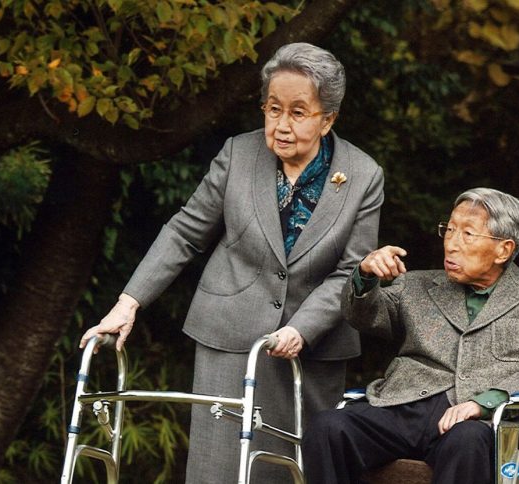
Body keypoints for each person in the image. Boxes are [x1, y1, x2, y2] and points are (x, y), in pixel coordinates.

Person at [80, 43, 384, 483]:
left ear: (328, 118)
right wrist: (128, 303)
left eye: (298, 113)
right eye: (273, 109)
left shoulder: (363, 174)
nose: (281, 125)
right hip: (228, 336)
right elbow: (185, 231)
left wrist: (302, 329)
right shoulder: (238, 155)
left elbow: (350, 270)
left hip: (312, 348)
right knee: (218, 470)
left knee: (293, 470)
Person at [303, 188, 519, 484]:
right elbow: (364, 316)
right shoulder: (417, 285)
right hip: (403, 407)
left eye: (468, 234)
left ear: (503, 250)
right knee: (328, 427)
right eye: (450, 230)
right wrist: (366, 274)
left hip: (480, 419)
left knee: (467, 440)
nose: (452, 245)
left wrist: (484, 402)